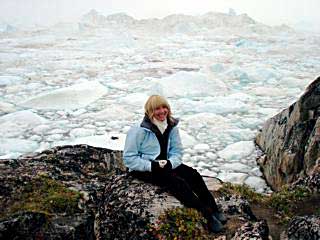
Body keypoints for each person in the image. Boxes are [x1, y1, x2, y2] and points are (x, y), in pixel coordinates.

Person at [123, 95, 227, 233]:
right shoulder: (138, 130)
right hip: (144, 169)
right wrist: (152, 165)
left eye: (164, 107)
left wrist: (170, 163)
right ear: (149, 111)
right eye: (157, 109)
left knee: (193, 175)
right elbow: (129, 158)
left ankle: (214, 209)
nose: (162, 111)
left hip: (165, 165)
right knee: (177, 184)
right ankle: (207, 216)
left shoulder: (171, 126)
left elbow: (177, 152)